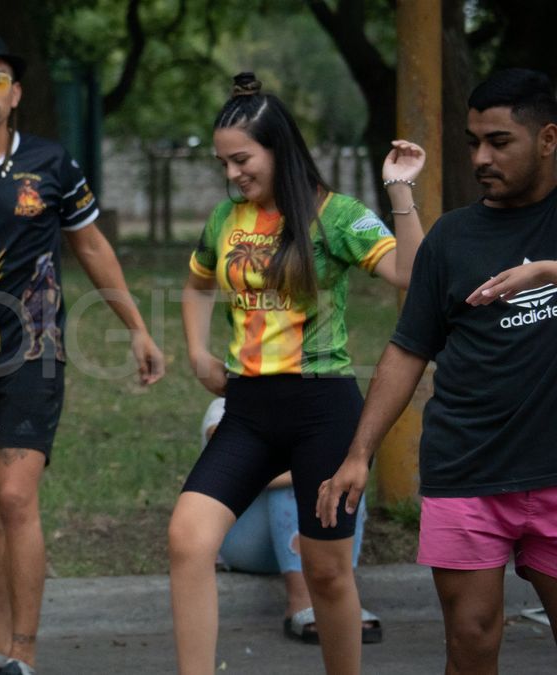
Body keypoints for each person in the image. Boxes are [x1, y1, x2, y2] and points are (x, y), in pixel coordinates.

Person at [170, 71, 425, 675]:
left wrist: (400, 193)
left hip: (323, 412)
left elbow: (410, 274)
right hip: (248, 412)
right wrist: (198, 352)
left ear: (277, 148)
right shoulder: (224, 220)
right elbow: (196, 284)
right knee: (188, 539)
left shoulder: (336, 215)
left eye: (241, 160)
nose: (232, 175)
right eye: (223, 164)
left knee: (327, 570)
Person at [0, 26, 165, 675]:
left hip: (35, 350)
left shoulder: (52, 163)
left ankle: (26, 654)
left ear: (16, 94)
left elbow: (91, 247)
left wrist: (138, 328)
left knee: (15, 495)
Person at [318, 67, 557, 672]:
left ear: (549, 140)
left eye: (499, 142)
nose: (481, 157)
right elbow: (406, 350)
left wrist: (548, 272)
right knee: (471, 643)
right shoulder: (452, 238)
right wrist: (358, 453)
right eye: (474, 141)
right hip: (467, 467)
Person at [200, 397, 382, 645]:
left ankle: (340, 596)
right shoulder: (225, 408)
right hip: (249, 544)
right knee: (303, 477)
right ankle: (301, 600)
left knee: (347, 475)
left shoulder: (323, 407)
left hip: (315, 542)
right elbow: (236, 473)